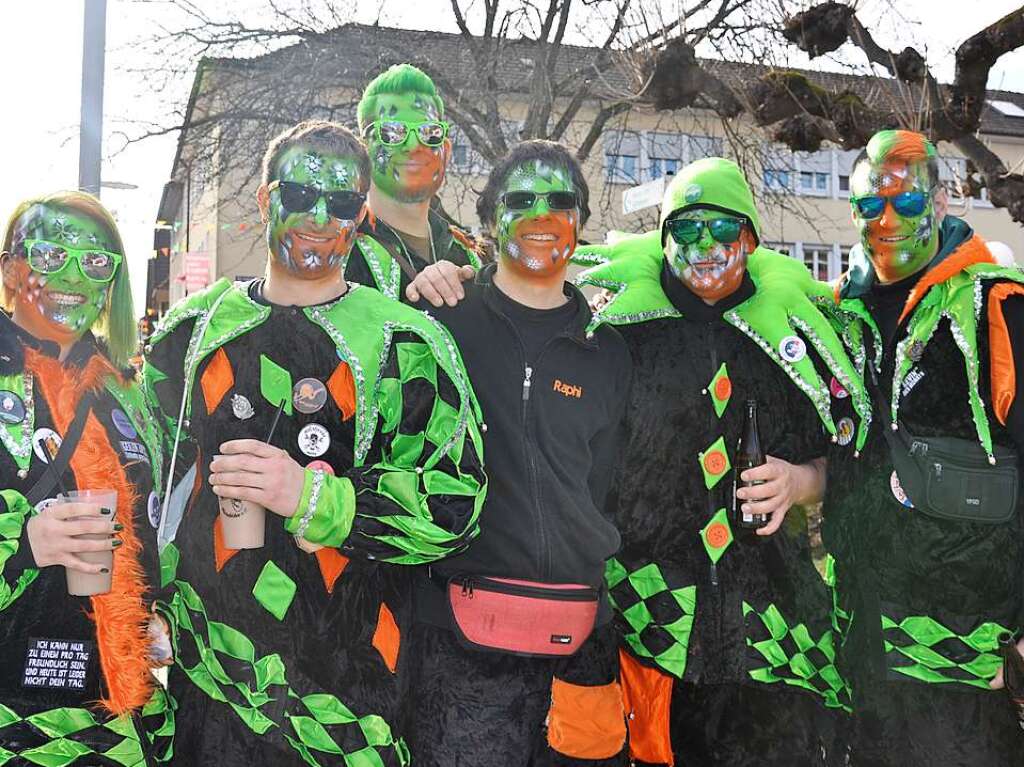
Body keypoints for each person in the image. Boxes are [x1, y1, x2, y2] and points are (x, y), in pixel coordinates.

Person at [142, 121, 486, 765]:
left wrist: (316, 499)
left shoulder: (404, 341)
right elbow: (150, 480)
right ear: (265, 200)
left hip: (349, 689)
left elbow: (454, 502)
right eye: (300, 194)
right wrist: (144, 602)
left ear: (362, 214)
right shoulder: (193, 330)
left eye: (343, 202)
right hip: (209, 678)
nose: (321, 217)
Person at [571, 158, 871, 766]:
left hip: (771, 632)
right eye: (686, 229)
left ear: (752, 239)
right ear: (663, 239)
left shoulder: (791, 336)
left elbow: (860, 457)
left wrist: (803, 480)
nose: (705, 246)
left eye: (723, 229)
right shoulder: (618, 331)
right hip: (648, 630)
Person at [402, 140, 631, 766]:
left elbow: (612, 488)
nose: (540, 216)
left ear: (580, 222)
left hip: (579, 641)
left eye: (559, 202)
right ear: (488, 219)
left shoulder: (608, 351)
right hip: (458, 645)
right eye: (520, 200)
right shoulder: (439, 322)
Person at [822, 129, 1024, 766]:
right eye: (870, 204)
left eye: (907, 203)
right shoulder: (835, 317)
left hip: (970, 662)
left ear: (940, 204)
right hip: (861, 650)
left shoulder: (997, 303)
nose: (887, 219)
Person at [0, 191, 173, 764]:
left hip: (122, 720)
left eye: (96, 261)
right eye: (50, 255)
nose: (73, 275)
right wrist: (22, 545)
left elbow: (155, 523)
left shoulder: (126, 390)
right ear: (9, 267)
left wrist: (163, 611)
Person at [347, 63, 482, 302]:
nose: (412, 146)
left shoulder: (468, 256)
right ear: (364, 151)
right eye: (391, 133)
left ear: (446, 151)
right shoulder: (340, 253)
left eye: (430, 133)